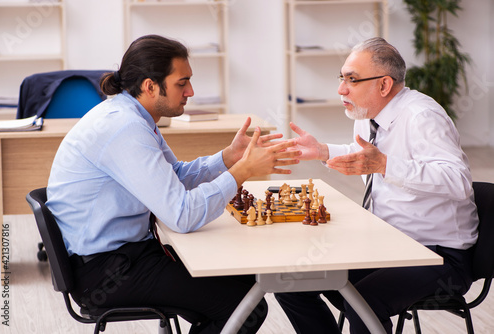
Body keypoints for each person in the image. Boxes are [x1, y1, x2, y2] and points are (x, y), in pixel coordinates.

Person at [46, 34, 301, 334]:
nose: (191, 91)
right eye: (182, 83)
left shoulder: (133, 116)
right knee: (247, 307)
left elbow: (174, 175)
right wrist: (242, 172)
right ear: (150, 86)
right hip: (105, 273)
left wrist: (228, 158)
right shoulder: (125, 127)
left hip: (123, 254)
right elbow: (182, 216)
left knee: (245, 283)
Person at [275, 37, 479, 333]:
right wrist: (322, 150)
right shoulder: (368, 115)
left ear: (384, 85)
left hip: (439, 255)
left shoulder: (422, 116)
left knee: (363, 302)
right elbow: (365, 156)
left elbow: (458, 181)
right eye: (342, 78)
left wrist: (385, 165)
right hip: (389, 246)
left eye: (352, 80)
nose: (341, 89)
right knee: (290, 282)